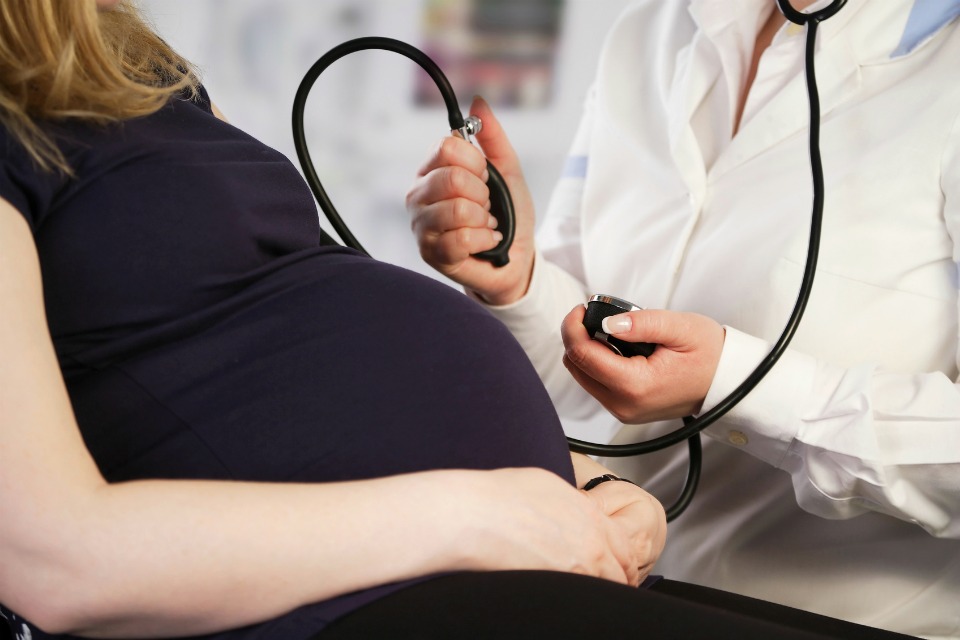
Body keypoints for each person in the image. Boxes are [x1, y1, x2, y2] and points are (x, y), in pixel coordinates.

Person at [1, 1, 922, 639]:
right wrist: (520, 291)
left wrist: (591, 498)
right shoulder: (649, 37)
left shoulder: (127, 76)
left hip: (618, 572)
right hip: (433, 585)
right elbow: (61, 544)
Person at [406, 0, 960, 638]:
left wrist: (731, 385)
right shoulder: (649, 32)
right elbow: (586, 376)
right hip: (620, 594)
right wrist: (518, 279)